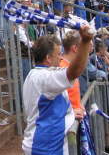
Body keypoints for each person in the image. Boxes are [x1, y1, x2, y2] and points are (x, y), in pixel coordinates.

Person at [22, 23, 94, 155]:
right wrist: (85, 41)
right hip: (45, 147)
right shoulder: (44, 77)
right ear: (48, 58)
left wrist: (71, 113)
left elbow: (49, 109)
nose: (60, 57)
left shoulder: (36, 74)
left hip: (46, 144)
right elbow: (75, 71)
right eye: (57, 54)